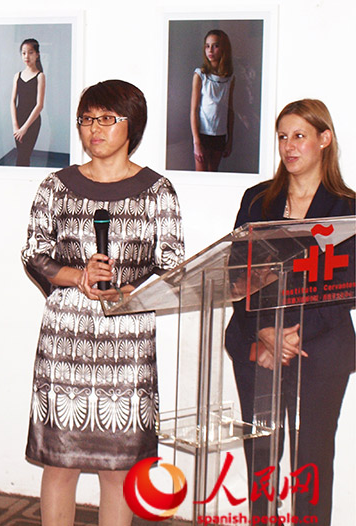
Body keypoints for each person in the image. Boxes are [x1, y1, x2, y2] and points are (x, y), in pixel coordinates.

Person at [21, 80, 184, 526]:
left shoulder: (157, 190)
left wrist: (129, 290)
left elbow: (171, 264)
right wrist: (78, 277)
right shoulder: (57, 186)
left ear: (132, 126)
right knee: (61, 461)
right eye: (87, 119)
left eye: (107, 119)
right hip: (67, 337)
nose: (95, 128)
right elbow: (34, 252)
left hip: (127, 337)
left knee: (121, 466)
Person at [224, 99, 355, 525]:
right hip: (256, 343)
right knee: (261, 453)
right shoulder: (257, 200)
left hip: (320, 348)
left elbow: (345, 287)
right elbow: (234, 273)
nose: (289, 146)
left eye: (299, 135)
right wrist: (265, 330)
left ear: (325, 139)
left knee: (312, 457)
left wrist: (291, 335)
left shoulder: (347, 208)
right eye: (282, 136)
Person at [190, 29, 235, 172]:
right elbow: (194, 110)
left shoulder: (230, 78)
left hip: (220, 135)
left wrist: (229, 140)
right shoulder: (200, 75)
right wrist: (196, 142)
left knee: (213, 173)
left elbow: (230, 110)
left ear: (223, 49)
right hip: (203, 134)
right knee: (200, 177)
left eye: (215, 46)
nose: (210, 50)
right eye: (207, 46)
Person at [10, 38, 46, 166]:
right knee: (22, 157)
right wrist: (16, 126)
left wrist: (25, 128)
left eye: (30, 52)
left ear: (37, 54)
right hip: (18, 121)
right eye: (24, 53)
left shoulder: (40, 76)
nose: (27, 56)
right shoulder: (17, 76)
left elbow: (39, 105)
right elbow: (13, 102)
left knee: (23, 156)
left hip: (32, 123)